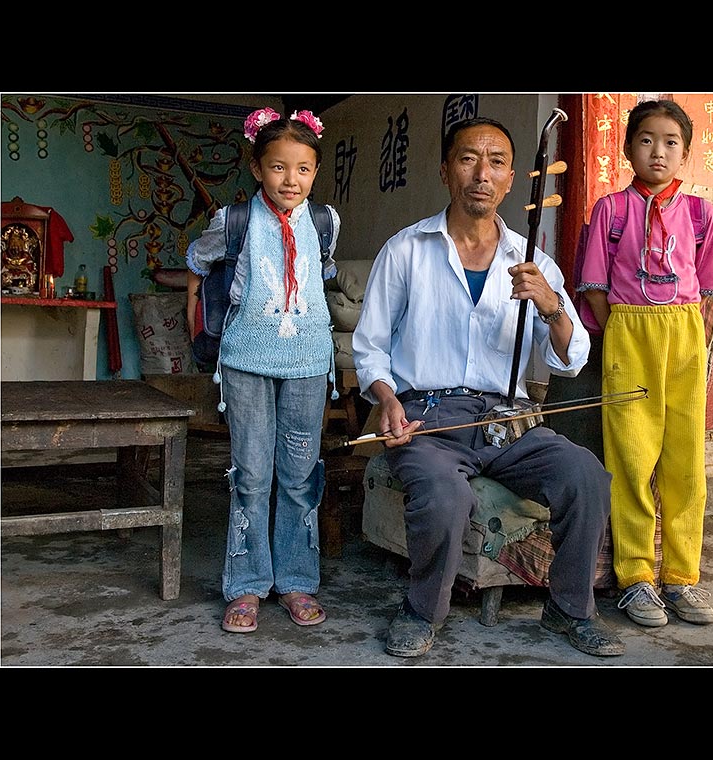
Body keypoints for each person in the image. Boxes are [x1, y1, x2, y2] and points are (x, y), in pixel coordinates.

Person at [353, 116, 625, 658]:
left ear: (510, 180)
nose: (483, 173)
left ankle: (569, 608)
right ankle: (421, 611)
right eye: (469, 159)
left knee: (586, 475)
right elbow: (370, 345)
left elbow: (569, 359)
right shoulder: (407, 250)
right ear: (446, 170)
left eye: (497, 162)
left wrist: (552, 307)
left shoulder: (533, 263)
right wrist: (386, 399)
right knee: (443, 492)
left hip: (509, 420)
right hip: (426, 418)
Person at [186, 107, 340, 634]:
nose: (290, 179)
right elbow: (198, 258)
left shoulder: (325, 222)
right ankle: (247, 585)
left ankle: (297, 579)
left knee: (299, 478)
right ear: (257, 168)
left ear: (315, 172)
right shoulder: (232, 221)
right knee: (251, 475)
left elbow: (325, 270)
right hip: (246, 362)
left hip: (308, 363)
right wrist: (198, 305)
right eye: (278, 167)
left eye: (302, 169)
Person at [577, 99, 713, 628]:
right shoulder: (610, 211)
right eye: (645, 140)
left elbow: (708, 290)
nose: (657, 152)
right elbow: (593, 284)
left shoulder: (701, 214)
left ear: (685, 153)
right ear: (627, 148)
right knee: (632, 459)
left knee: (685, 462)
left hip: (683, 335)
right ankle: (637, 578)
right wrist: (620, 328)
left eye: (670, 142)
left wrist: (693, 341)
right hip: (629, 332)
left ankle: (683, 578)